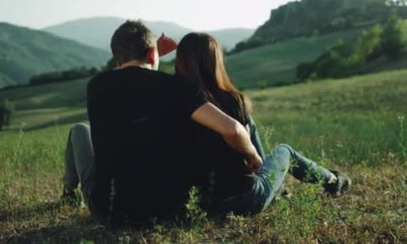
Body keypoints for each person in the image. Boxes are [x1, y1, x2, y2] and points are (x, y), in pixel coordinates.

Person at [61, 20, 263, 227]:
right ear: (151, 54)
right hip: (169, 210)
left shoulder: (96, 86)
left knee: (78, 131)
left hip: (110, 211)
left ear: (117, 56)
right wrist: (253, 156)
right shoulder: (176, 87)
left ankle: (69, 192)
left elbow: (123, 78)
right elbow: (231, 128)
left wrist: (144, 52)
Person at [175, 32, 351, 216]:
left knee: (247, 124)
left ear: (181, 61)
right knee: (285, 150)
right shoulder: (233, 101)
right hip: (244, 200)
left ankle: (276, 188)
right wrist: (252, 154)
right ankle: (333, 180)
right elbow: (234, 132)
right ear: (215, 61)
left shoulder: (176, 100)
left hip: (201, 203)